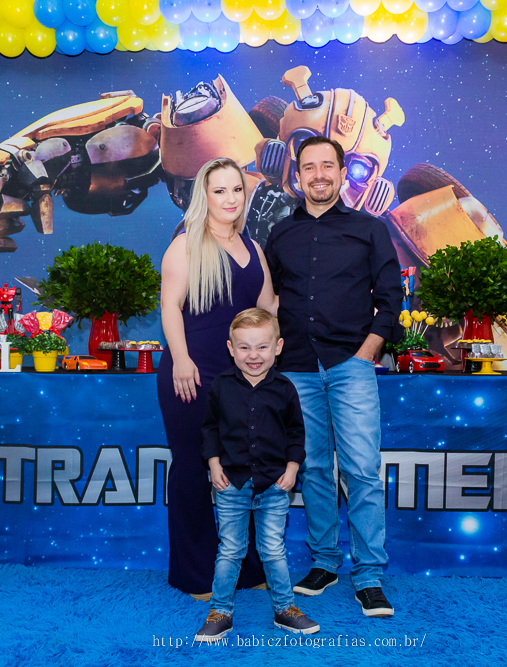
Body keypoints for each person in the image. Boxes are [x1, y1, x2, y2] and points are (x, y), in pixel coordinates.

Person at [263, 136, 403, 618]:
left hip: (352, 366)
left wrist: (367, 352)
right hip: (297, 368)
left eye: (328, 166)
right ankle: (324, 562)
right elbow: (269, 301)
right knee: (316, 469)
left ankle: (369, 575)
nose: (319, 175)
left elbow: (391, 298)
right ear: (296, 176)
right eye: (309, 167)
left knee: (362, 470)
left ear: (343, 174)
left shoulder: (370, 230)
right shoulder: (280, 235)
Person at [157, 158, 277, 597]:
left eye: (236, 190)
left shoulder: (253, 247)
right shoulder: (186, 245)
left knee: (240, 472)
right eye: (220, 191)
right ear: (203, 196)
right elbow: (170, 307)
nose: (229, 199)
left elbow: (267, 309)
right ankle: (192, 575)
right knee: (192, 468)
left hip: (240, 380)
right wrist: (182, 358)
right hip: (191, 373)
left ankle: (244, 570)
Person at [194, 308, 319, 642]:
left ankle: (285, 609)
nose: (253, 355)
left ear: (277, 347)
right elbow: (209, 429)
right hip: (231, 484)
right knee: (231, 550)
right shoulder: (220, 386)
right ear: (231, 348)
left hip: (274, 485)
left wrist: (293, 468)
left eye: (262, 347)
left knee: (273, 550)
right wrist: (214, 463)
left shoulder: (285, 388)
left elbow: (296, 433)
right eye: (245, 347)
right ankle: (220, 611)